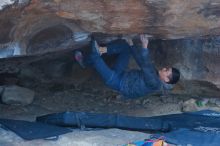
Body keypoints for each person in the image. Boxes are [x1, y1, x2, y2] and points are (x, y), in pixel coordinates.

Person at [74, 34, 180, 99]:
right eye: (167, 68)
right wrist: (132, 45)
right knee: (126, 47)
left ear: (166, 79)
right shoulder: (156, 74)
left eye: (167, 71)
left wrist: (144, 47)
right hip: (122, 74)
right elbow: (141, 62)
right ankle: (98, 53)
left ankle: (90, 52)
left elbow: (146, 65)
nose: (164, 68)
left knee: (95, 54)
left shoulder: (155, 84)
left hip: (117, 82)